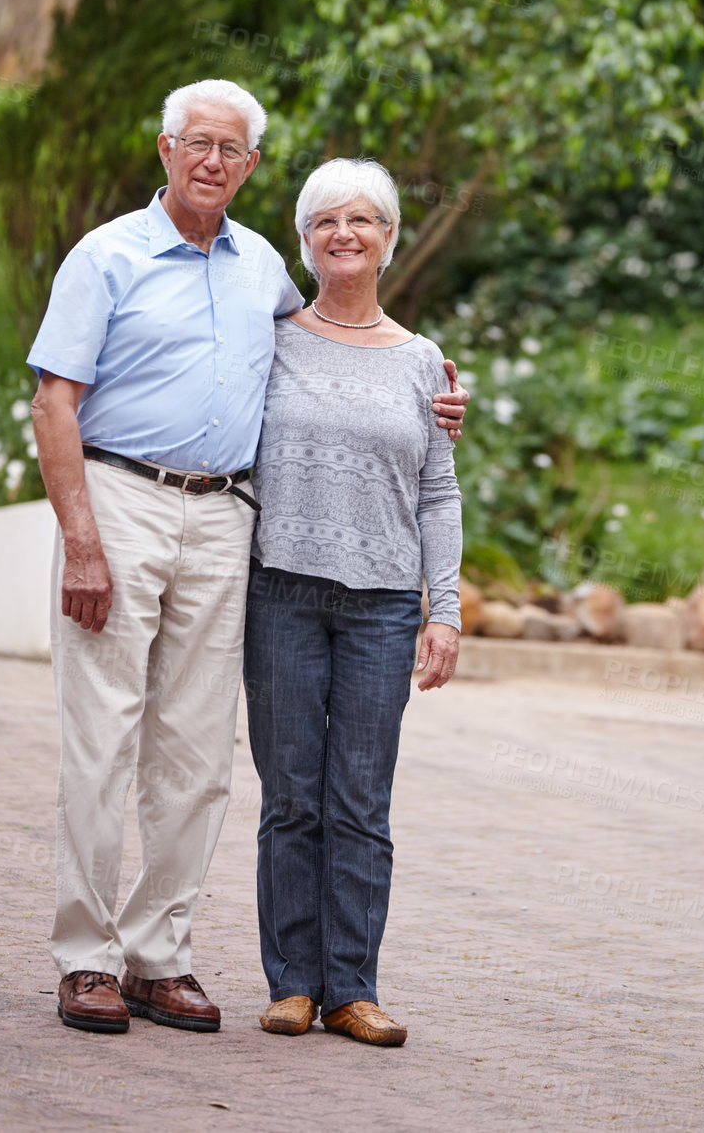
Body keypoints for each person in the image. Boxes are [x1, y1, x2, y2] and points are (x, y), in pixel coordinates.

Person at [28, 81, 468, 1036]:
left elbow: (348, 352)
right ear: (165, 149)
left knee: (196, 755)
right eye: (197, 144)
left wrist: (438, 400)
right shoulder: (105, 257)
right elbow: (52, 403)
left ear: (252, 166)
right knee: (102, 739)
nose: (213, 162)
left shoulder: (262, 266)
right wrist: (82, 543)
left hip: (226, 518)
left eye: (232, 149)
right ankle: (87, 959)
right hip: (121, 500)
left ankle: (158, 956)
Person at [244, 157, 461, 1048]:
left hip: (379, 607)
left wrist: (439, 609)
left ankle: (353, 991)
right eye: (325, 220)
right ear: (303, 239)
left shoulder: (423, 363)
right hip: (281, 593)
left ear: (389, 239)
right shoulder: (271, 338)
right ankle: (293, 984)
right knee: (291, 795)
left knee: (360, 803)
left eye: (362, 220)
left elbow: (438, 493)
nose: (344, 233)